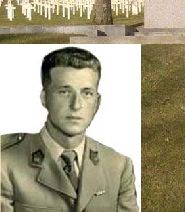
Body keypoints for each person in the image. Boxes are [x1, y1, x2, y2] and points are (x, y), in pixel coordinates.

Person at [1, 47, 139, 212]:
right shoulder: (6, 164)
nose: (76, 105)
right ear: (45, 98)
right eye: (64, 92)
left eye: (87, 93)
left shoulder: (118, 166)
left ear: (97, 102)